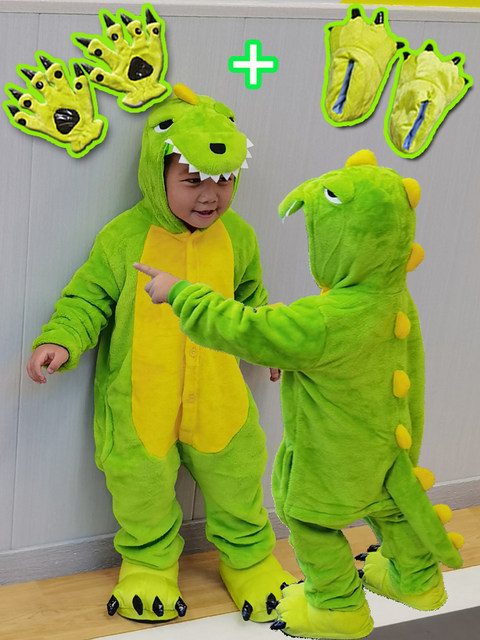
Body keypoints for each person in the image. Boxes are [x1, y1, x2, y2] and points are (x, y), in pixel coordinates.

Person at [134, 149, 464, 639]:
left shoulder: (326, 319)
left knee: (308, 520)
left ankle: (337, 608)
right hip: (389, 444)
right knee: (392, 506)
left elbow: (249, 328)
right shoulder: (394, 298)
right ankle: (418, 583)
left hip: (334, 458)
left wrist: (181, 292)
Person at [27, 84, 295, 623]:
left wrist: (271, 342)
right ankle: (148, 565)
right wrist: (61, 339)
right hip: (142, 400)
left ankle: (248, 560)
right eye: (192, 180)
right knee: (140, 489)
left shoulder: (238, 238)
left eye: (223, 181)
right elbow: (88, 298)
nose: (209, 197)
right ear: (158, 173)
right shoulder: (125, 237)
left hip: (219, 397)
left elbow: (251, 300)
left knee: (239, 481)